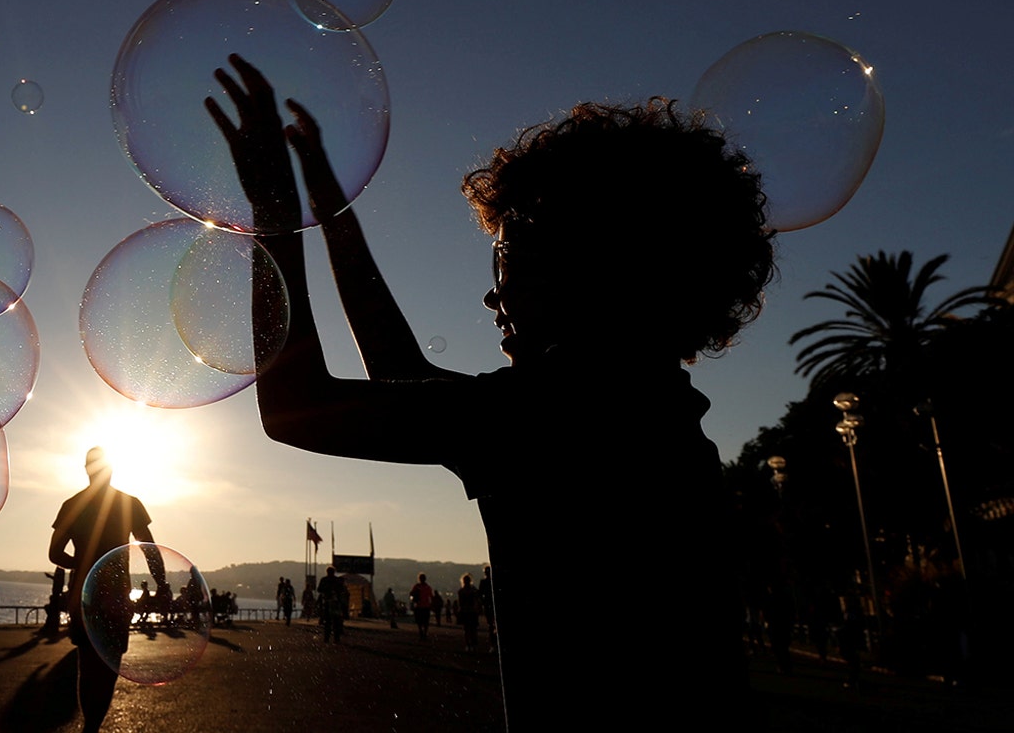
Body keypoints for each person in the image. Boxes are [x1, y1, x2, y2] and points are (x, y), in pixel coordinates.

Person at [210, 56, 773, 727]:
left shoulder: (551, 419)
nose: (492, 293)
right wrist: (326, 206)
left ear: (600, 266)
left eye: (513, 261)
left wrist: (273, 213)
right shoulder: (647, 412)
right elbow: (398, 365)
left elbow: (295, 405)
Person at [49, 446, 168, 733]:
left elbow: (54, 553)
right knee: (109, 666)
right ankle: (92, 726)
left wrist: (82, 565)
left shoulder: (72, 504)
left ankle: (90, 728)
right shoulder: (129, 503)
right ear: (111, 469)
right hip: (116, 594)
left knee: (87, 665)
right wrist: (162, 584)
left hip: (83, 595)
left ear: (87, 469)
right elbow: (149, 547)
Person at [317, 566, 348, 643]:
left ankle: (327, 637)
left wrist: (326, 591)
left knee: (328, 621)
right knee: (336, 620)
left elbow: (319, 589)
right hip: (336, 602)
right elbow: (342, 590)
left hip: (327, 601)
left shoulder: (324, 580)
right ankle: (336, 638)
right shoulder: (337, 580)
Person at [457, 572, 481, 650]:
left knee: (467, 629)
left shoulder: (461, 591)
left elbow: (460, 603)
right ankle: (473, 644)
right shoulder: (474, 590)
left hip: (465, 611)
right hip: (472, 611)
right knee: (473, 629)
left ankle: (468, 644)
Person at [408, 573, 435, 641]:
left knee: (419, 621)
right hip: (426, 606)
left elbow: (411, 594)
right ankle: (424, 633)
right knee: (425, 621)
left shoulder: (416, 586)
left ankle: (421, 632)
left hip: (419, 606)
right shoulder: (428, 587)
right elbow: (431, 597)